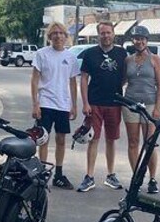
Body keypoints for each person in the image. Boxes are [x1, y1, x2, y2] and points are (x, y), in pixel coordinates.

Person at [78, 21, 128, 193]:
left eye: (108, 32)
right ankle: (89, 176)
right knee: (93, 139)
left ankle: (110, 175)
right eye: (102, 33)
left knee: (111, 139)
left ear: (114, 34)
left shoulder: (122, 53)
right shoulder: (90, 54)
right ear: (97, 35)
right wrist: (85, 103)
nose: (106, 36)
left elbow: (124, 77)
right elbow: (84, 78)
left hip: (115, 102)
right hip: (94, 103)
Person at [31, 22, 79, 189]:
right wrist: (35, 104)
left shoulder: (71, 57)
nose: (58, 36)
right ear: (49, 36)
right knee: (43, 139)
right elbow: (35, 80)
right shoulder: (41, 54)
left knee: (61, 139)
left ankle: (58, 174)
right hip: (45, 103)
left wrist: (74, 105)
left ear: (66, 36)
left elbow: (73, 82)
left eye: (61, 33)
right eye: (54, 33)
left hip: (63, 105)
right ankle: (42, 172)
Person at [122, 25, 160, 194]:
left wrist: (158, 108)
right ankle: (136, 177)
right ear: (133, 40)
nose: (139, 41)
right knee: (133, 142)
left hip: (149, 104)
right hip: (131, 104)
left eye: (142, 39)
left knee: (150, 143)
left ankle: (152, 178)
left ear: (146, 41)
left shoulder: (155, 59)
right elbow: (123, 81)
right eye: (136, 38)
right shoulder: (128, 60)